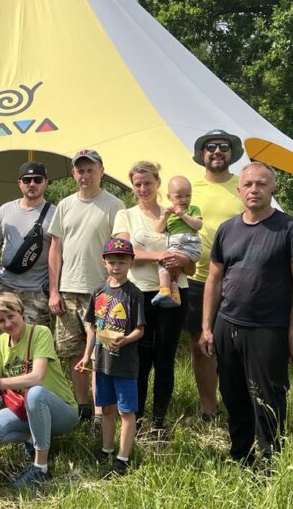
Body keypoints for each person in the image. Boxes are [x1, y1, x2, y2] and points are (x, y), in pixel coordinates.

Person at [201, 162, 293, 466]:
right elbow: (214, 279)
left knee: (268, 398)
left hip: (268, 328)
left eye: (262, 184)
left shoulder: (291, 229)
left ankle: (270, 462)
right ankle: (241, 456)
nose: (255, 189)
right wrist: (207, 328)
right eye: (249, 184)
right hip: (227, 324)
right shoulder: (227, 229)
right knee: (233, 394)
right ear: (239, 190)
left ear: (273, 188)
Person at [0, 294, 79, 491]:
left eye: (11, 316)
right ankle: (31, 438)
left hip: (62, 412)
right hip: (26, 410)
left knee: (35, 393)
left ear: (22, 313)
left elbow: (37, 377)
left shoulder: (40, 333)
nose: (8, 323)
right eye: (1, 320)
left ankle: (40, 467)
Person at [111, 163, 192, 436]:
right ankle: (136, 419)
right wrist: (160, 255)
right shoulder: (126, 215)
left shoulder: (176, 213)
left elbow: (191, 257)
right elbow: (126, 252)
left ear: (158, 183)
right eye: (138, 184)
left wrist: (182, 260)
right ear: (132, 187)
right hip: (140, 293)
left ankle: (158, 422)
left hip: (176, 290)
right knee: (140, 358)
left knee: (165, 359)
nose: (143, 188)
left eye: (148, 182)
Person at [47, 149, 124, 427]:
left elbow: (120, 249)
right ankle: (83, 407)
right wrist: (53, 291)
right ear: (73, 174)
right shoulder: (65, 205)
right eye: (80, 170)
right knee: (73, 352)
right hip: (68, 290)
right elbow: (55, 249)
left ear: (101, 171)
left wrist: (115, 287)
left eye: (91, 170)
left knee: (100, 353)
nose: (85, 175)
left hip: (102, 291)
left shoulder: (114, 205)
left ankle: (101, 412)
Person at [186, 130, 245, 422]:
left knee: (236, 346)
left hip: (238, 279)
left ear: (231, 152)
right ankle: (209, 409)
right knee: (202, 345)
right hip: (197, 277)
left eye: (223, 146)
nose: (217, 151)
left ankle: (239, 406)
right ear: (202, 154)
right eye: (211, 147)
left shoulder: (243, 186)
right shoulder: (191, 188)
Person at [75, 238, 145, 477]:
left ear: (131, 263)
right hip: (102, 363)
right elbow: (93, 328)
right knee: (106, 408)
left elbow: (140, 330)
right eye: (112, 262)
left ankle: (123, 458)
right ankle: (106, 450)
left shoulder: (134, 294)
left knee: (126, 412)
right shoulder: (99, 292)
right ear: (104, 262)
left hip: (125, 365)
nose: (116, 267)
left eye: (122, 262)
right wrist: (87, 356)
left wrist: (126, 339)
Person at [0, 161, 55, 328]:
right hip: (3, 286)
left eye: (37, 179)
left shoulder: (55, 214)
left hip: (35, 290)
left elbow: (58, 257)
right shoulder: (5, 210)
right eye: (27, 180)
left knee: (32, 339)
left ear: (46, 183)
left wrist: (54, 291)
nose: (32, 184)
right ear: (19, 183)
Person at [151, 175, 203, 309]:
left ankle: (164, 290)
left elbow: (198, 225)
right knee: (173, 268)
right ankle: (175, 295)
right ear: (169, 197)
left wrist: (183, 215)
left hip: (189, 244)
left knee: (163, 261)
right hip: (177, 246)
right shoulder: (168, 214)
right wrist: (165, 217)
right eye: (179, 197)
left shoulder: (193, 209)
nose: (184, 200)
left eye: (188, 196)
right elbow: (158, 229)